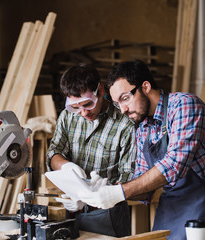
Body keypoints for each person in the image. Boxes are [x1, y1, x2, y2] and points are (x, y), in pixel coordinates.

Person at [78, 60, 205, 240]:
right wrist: (103, 190)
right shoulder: (143, 128)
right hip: (170, 211)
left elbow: (174, 166)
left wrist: (119, 192)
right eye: (117, 104)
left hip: (202, 212)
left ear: (146, 86)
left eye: (125, 98)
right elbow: (143, 187)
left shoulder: (184, 105)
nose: (123, 110)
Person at [46, 63, 137, 237]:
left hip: (107, 213)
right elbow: (53, 152)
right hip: (71, 209)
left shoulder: (125, 124)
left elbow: (129, 177)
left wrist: (104, 191)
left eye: (88, 104)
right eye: (75, 106)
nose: (83, 113)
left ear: (101, 90)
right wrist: (65, 166)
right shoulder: (68, 116)